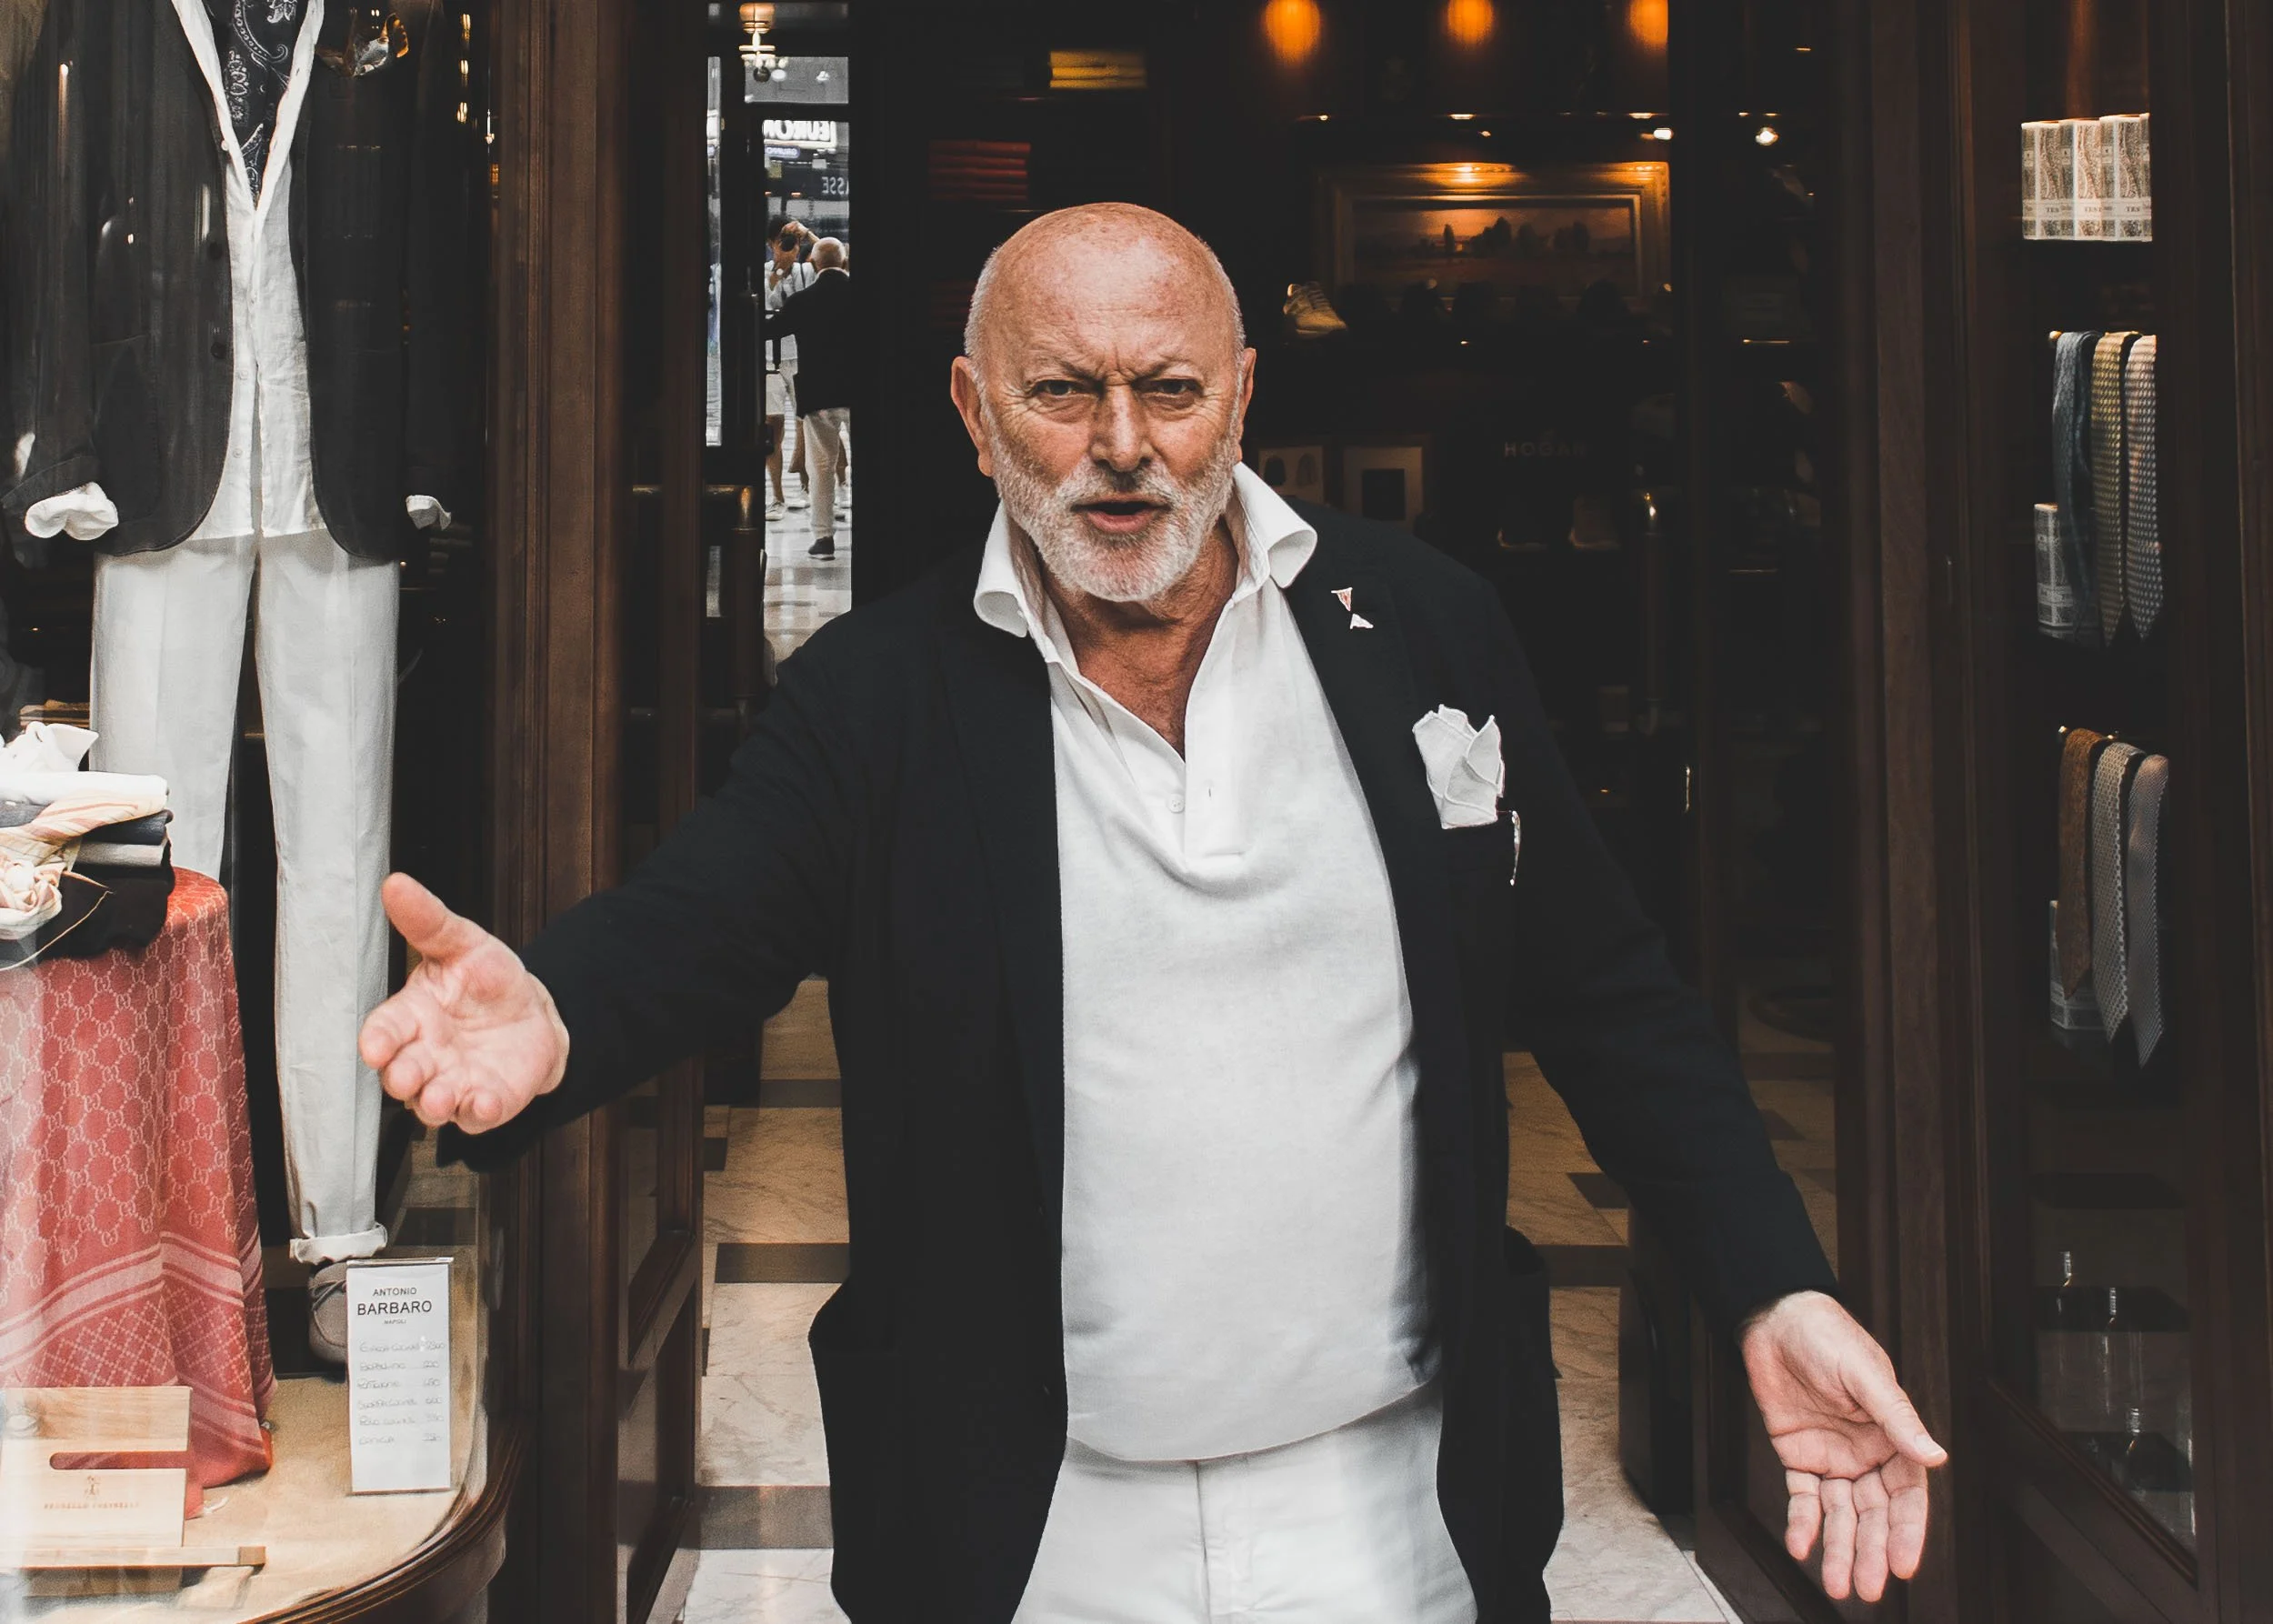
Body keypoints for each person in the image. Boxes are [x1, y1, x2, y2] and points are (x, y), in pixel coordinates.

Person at [359, 205, 1945, 1623]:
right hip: (1036, 1529)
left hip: (1394, 1512)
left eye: (1171, 391)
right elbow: (704, 919)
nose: (1125, 445)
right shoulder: (879, 700)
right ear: (980, 416)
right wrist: (557, 1011)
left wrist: (1771, 1279)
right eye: (1064, 393)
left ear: (1241, 396)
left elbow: (1608, 991)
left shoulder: (1424, 630)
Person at [763, 236, 852, 558]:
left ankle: (824, 539)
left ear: (813, 265)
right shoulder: (864, 295)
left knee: (821, 467)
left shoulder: (804, 300)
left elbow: (770, 330)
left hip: (818, 394)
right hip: (859, 390)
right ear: (843, 262)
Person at [762, 217, 816, 520]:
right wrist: (774, 278)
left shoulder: (807, 271)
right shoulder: (760, 272)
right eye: (782, 242)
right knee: (773, 430)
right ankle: (777, 496)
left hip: (801, 357)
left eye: (792, 242)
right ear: (771, 245)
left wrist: (806, 233)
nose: (788, 249)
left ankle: (809, 486)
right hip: (770, 361)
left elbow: (836, 260)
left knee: (810, 423)